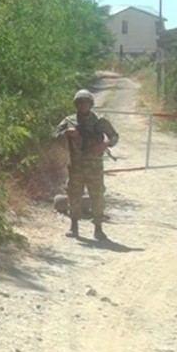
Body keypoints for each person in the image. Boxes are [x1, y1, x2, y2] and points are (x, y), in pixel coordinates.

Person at [54, 89, 119, 240]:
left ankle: (98, 227)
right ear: (76, 104)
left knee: (97, 195)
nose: (84, 105)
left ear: (91, 104)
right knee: (74, 194)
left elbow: (114, 136)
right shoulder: (69, 120)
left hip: (95, 165)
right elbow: (54, 135)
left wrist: (106, 144)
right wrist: (67, 133)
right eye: (81, 102)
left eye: (86, 102)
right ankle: (74, 226)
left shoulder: (99, 121)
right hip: (76, 165)